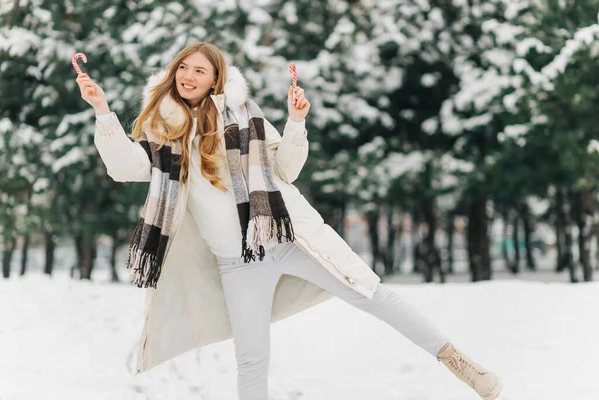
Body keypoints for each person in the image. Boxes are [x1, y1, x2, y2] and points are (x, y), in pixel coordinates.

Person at [76, 42, 503, 400]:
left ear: (215, 79)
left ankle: (457, 361)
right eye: (183, 67)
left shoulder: (243, 114)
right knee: (251, 357)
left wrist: (296, 122)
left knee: (370, 293)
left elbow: (286, 170)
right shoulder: (161, 128)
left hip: (289, 236)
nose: (189, 75)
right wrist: (102, 112)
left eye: (199, 70)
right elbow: (125, 167)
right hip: (236, 262)